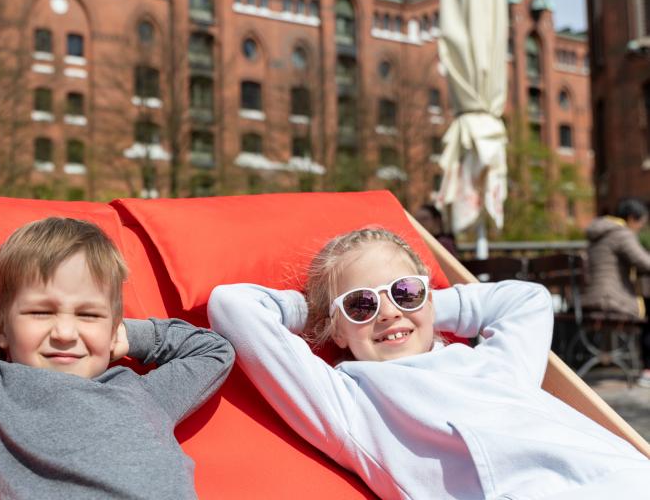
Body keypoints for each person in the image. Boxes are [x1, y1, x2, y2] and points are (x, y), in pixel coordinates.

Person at [208, 227, 650, 499]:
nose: (387, 313)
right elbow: (233, 306)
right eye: (360, 305)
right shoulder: (349, 403)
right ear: (337, 330)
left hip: (626, 476)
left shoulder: (497, 367)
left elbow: (526, 299)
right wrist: (321, 311)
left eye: (404, 292)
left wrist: (430, 305)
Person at [0, 217, 234, 499]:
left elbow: (215, 350)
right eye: (41, 313)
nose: (64, 333)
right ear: (3, 326)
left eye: (88, 315)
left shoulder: (144, 394)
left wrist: (124, 337)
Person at [581, 198, 650, 387]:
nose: (640, 229)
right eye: (641, 224)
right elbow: (643, 262)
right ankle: (647, 370)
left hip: (589, 299)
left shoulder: (599, 232)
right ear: (631, 218)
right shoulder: (621, 234)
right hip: (609, 300)